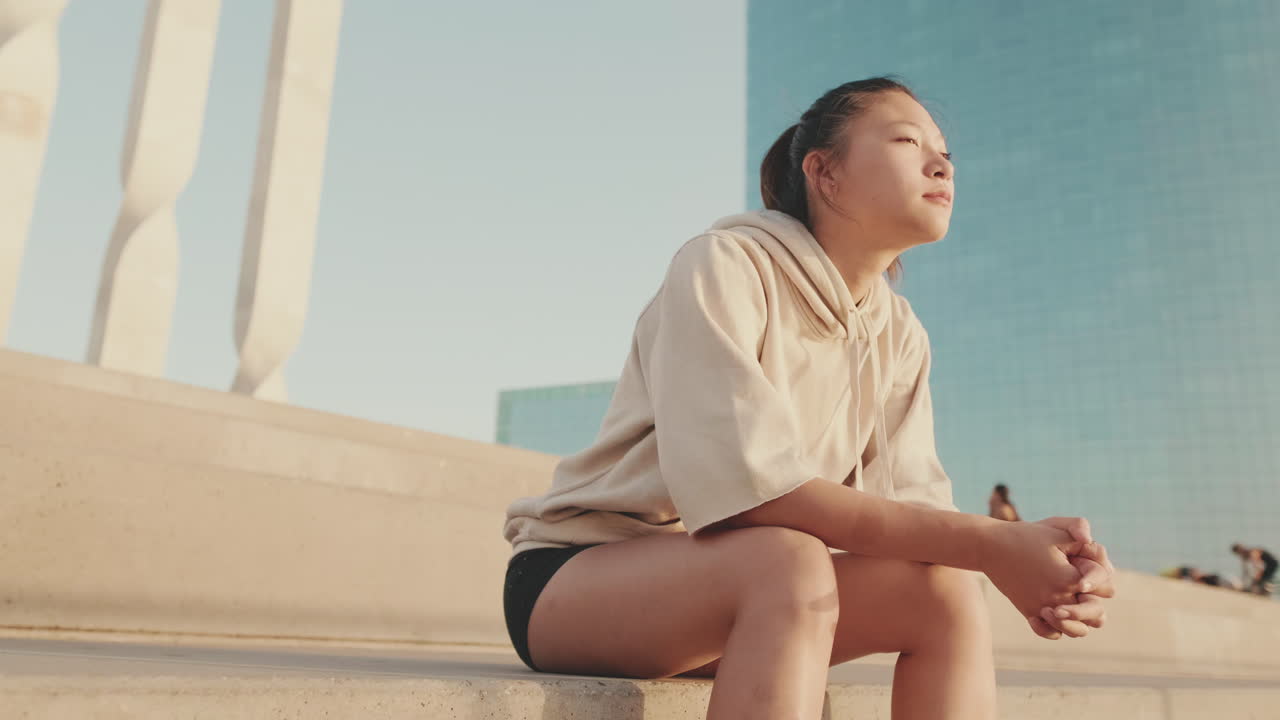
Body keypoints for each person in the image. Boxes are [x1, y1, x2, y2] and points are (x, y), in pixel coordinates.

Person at [501, 77, 1116, 720]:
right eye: (907, 140)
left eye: (946, 154)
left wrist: (1050, 574)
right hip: (576, 583)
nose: (941, 164)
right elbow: (753, 495)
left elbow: (918, 519)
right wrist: (992, 542)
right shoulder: (724, 264)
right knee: (786, 558)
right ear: (824, 174)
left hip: (743, 600)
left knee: (948, 590)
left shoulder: (900, 332)